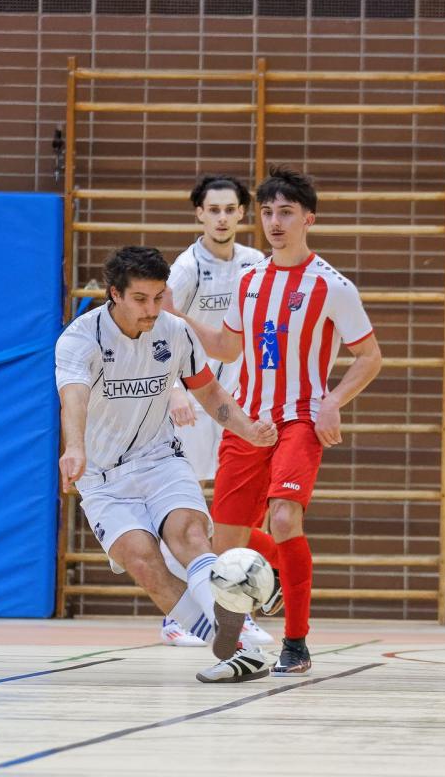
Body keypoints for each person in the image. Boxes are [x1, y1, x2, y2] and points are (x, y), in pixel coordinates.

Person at [178, 167, 383, 676]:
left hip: (300, 419)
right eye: (268, 212)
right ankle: (268, 599)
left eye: (286, 213)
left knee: (286, 518)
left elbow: (370, 356)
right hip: (248, 421)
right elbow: (228, 347)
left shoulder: (332, 286)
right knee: (226, 542)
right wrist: (178, 318)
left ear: (308, 218)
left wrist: (333, 401)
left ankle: (296, 641)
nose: (274, 222)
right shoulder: (249, 280)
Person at [56, 246, 278, 683]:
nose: (152, 309)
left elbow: (208, 391)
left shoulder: (175, 332)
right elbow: (74, 398)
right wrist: (75, 448)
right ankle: (233, 649)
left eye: (159, 297)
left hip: (160, 460)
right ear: (115, 294)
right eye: (141, 299)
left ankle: (238, 640)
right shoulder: (81, 338)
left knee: (189, 534)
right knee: (143, 562)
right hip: (103, 477)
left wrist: (247, 429)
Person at [158, 174, 270, 649]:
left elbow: (263, 331)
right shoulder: (187, 268)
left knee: (237, 510)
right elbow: (160, 328)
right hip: (193, 399)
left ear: (242, 214)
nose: (222, 218)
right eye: (214, 210)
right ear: (199, 215)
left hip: (238, 402)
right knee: (185, 506)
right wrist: (175, 390)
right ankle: (177, 614)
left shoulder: (254, 263)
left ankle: (234, 610)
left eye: (230, 209)